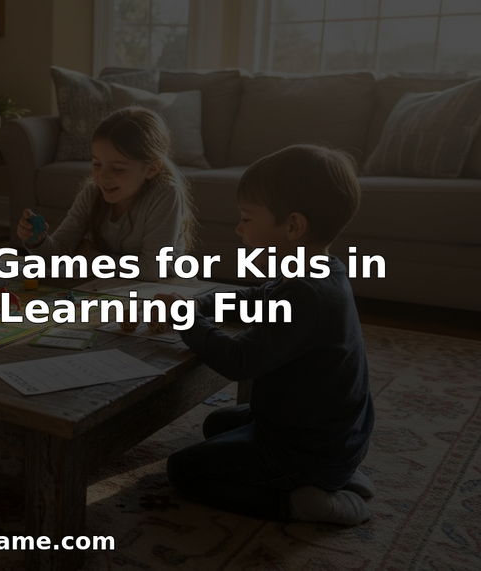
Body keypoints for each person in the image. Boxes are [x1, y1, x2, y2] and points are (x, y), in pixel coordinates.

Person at [156, 144, 376, 526]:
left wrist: (185, 319)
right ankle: (337, 474)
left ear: (293, 226)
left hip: (307, 449)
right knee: (216, 425)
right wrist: (200, 304)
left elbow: (239, 360)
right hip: (330, 433)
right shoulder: (321, 270)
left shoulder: (306, 296)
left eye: (246, 218)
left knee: (184, 470)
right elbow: (257, 298)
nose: (238, 228)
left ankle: (305, 501)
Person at [17, 106, 196, 281]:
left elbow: (152, 269)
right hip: (112, 286)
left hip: (170, 289)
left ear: (151, 168)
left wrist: (91, 257)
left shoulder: (165, 194)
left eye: (117, 169)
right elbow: (58, 255)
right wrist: (38, 241)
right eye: (97, 164)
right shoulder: (92, 193)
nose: (102, 177)